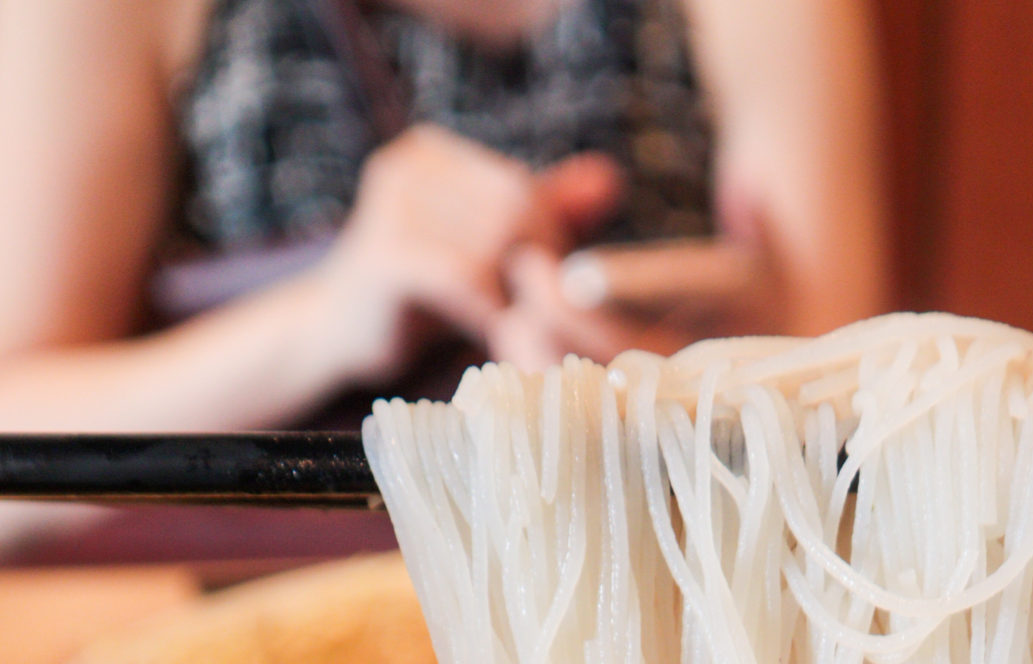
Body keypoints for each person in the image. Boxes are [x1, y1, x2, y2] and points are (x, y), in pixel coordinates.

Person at [0, 0, 887, 549]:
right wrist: (325, 321)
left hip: (671, 634)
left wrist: (688, 372)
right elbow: (16, 457)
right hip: (231, 637)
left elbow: (864, 432)